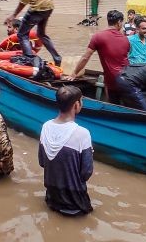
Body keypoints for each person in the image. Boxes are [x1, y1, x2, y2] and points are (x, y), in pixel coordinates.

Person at [39, 86, 94, 216]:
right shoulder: (82, 134)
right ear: (76, 105)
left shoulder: (45, 127)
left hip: (52, 199)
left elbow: (42, 162)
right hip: (76, 204)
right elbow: (86, 173)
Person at [67, 10, 129, 101]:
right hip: (128, 78)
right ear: (119, 22)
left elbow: (85, 57)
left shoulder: (98, 36)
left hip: (112, 80)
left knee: (112, 102)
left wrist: (74, 73)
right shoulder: (126, 40)